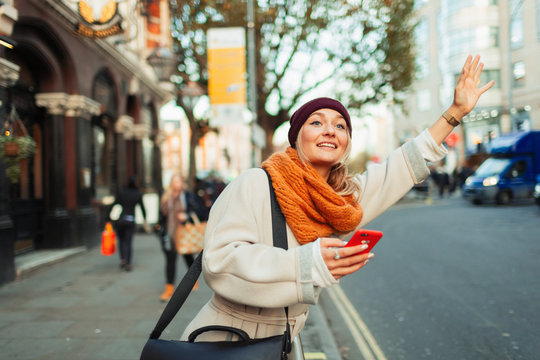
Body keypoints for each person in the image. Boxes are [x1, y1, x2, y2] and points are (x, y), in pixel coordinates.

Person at [180, 55, 494, 346]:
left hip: (283, 344)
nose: (330, 130)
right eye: (316, 122)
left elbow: (402, 166)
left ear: (344, 145)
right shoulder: (256, 183)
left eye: (340, 126)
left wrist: (455, 113)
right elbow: (219, 263)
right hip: (225, 341)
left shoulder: (343, 201)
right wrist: (308, 262)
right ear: (297, 137)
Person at [158, 174, 203, 301]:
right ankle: (169, 289)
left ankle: (193, 280)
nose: (176, 184)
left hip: (184, 233)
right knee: (170, 260)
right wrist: (160, 231)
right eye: (174, 181)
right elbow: (161, 215)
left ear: (182, 183)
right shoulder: (166, 196)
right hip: (169, 233)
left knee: (188, 257)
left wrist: (187, 216)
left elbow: (198, 211)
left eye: (178, 181)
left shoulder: (187, 195)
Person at [108, 175, 148, 272]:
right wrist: (144, 219)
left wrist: (108, 217)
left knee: (121, 240)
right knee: (128, 242)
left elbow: (114, 204)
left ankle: (123, 259)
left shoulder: (122, 192)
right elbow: (142, 207)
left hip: (120, 220)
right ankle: (128, 263)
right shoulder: (137, 193)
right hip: (130, 220)